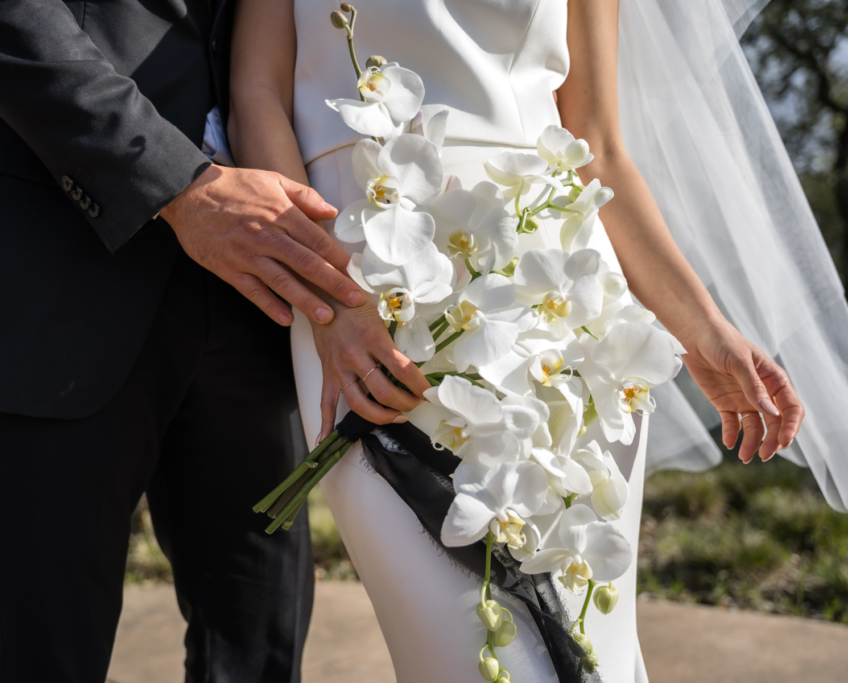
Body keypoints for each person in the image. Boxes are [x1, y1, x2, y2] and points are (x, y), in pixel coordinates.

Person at [227, 0, 812, 681]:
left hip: (560, 295)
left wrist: (704, 330)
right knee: (461, 652)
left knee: (594, 650)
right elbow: (255, 96)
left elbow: (599, 145)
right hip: (368, 281)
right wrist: (333, 299)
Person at [0, 1, 369, 681]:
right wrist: (180, 185)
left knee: (261, 646)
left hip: (255, 292)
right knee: (43, 655)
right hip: (54, 262)